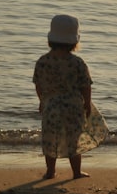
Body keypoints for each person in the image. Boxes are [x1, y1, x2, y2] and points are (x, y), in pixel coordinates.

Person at [33, 14, 108, 179]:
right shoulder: (77, 63)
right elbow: (85, 86)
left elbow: (38, 84)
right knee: (73, 139)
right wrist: (87, 104)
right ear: (74, 42)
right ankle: (76, 172)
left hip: (51, 105)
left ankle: (50, 171)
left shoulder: (43, 61)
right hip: (73, 106)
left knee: (50, 138)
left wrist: (42, 101)